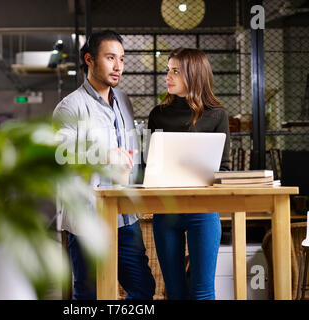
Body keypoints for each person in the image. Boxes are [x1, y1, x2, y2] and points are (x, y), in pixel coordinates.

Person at [53, 30, 155, 300]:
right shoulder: (69, 107)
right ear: (89, 59)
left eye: (121, 58)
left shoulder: (124, 101)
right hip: (87, 216)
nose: (118, 66)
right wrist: (104, 155)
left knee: (143, 290)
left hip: (124, 216)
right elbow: (61, 158)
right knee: (88, 293)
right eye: (110, 58)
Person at [148, 47, 230, 300]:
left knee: (203, 292)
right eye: (168, 70)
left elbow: (223, 168)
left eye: (175, 71)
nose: (168, 77)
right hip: (166, 211)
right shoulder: (158, 115)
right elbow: (149, 166)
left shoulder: (217, 115)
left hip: (203, 211)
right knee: (174, 292)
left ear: (193, 75)